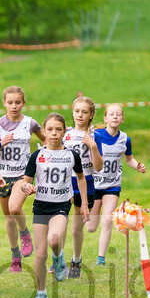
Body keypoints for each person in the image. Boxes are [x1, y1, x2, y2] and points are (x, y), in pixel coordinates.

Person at [13, 112, 87, 298]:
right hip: (40, 207)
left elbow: (80, 177)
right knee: (40, 254)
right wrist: (26, 186)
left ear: (64, 132)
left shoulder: (72, 155)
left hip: (61, 206)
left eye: (58, 129)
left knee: (54, 239)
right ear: (44, 131)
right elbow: (24, 181)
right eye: (50, 129)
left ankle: (59, 256)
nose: (54, 133)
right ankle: (41, 292)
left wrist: (84, 203)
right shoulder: (37, 156)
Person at [0, 86, 42, 273]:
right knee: (9, 218)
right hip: (3, 176)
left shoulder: (30, 123)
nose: (14, 106)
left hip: (22, 175)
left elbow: (47, 142)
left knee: (14, 208)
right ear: (4, 103)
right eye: (10, 102)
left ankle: (25, 234)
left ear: (23, 103)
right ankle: (15, 254)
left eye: (17, 102)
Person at [92, 103, 146, 265]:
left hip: (112, 185)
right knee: (91, 227)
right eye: (112, 114)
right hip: (94, 185)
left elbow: (129, 159)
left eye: (118, 114)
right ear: (106, 118)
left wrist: (137, 166)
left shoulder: (125, 139)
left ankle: (101, 259)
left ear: (122, 119)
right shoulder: (96, 135)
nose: (115, 116)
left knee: (107, 220)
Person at [63, 95, 103, 276]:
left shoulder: (95, 136)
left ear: (91, 115)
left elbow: (99, 167)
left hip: (85, 183)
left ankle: (76, 260)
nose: (80, 115)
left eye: (84, 112)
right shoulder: (65, 133)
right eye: (77, 111)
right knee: (60, 224)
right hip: (65, 182)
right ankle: (58, 260)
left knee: (75, 229)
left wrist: (93, 147)